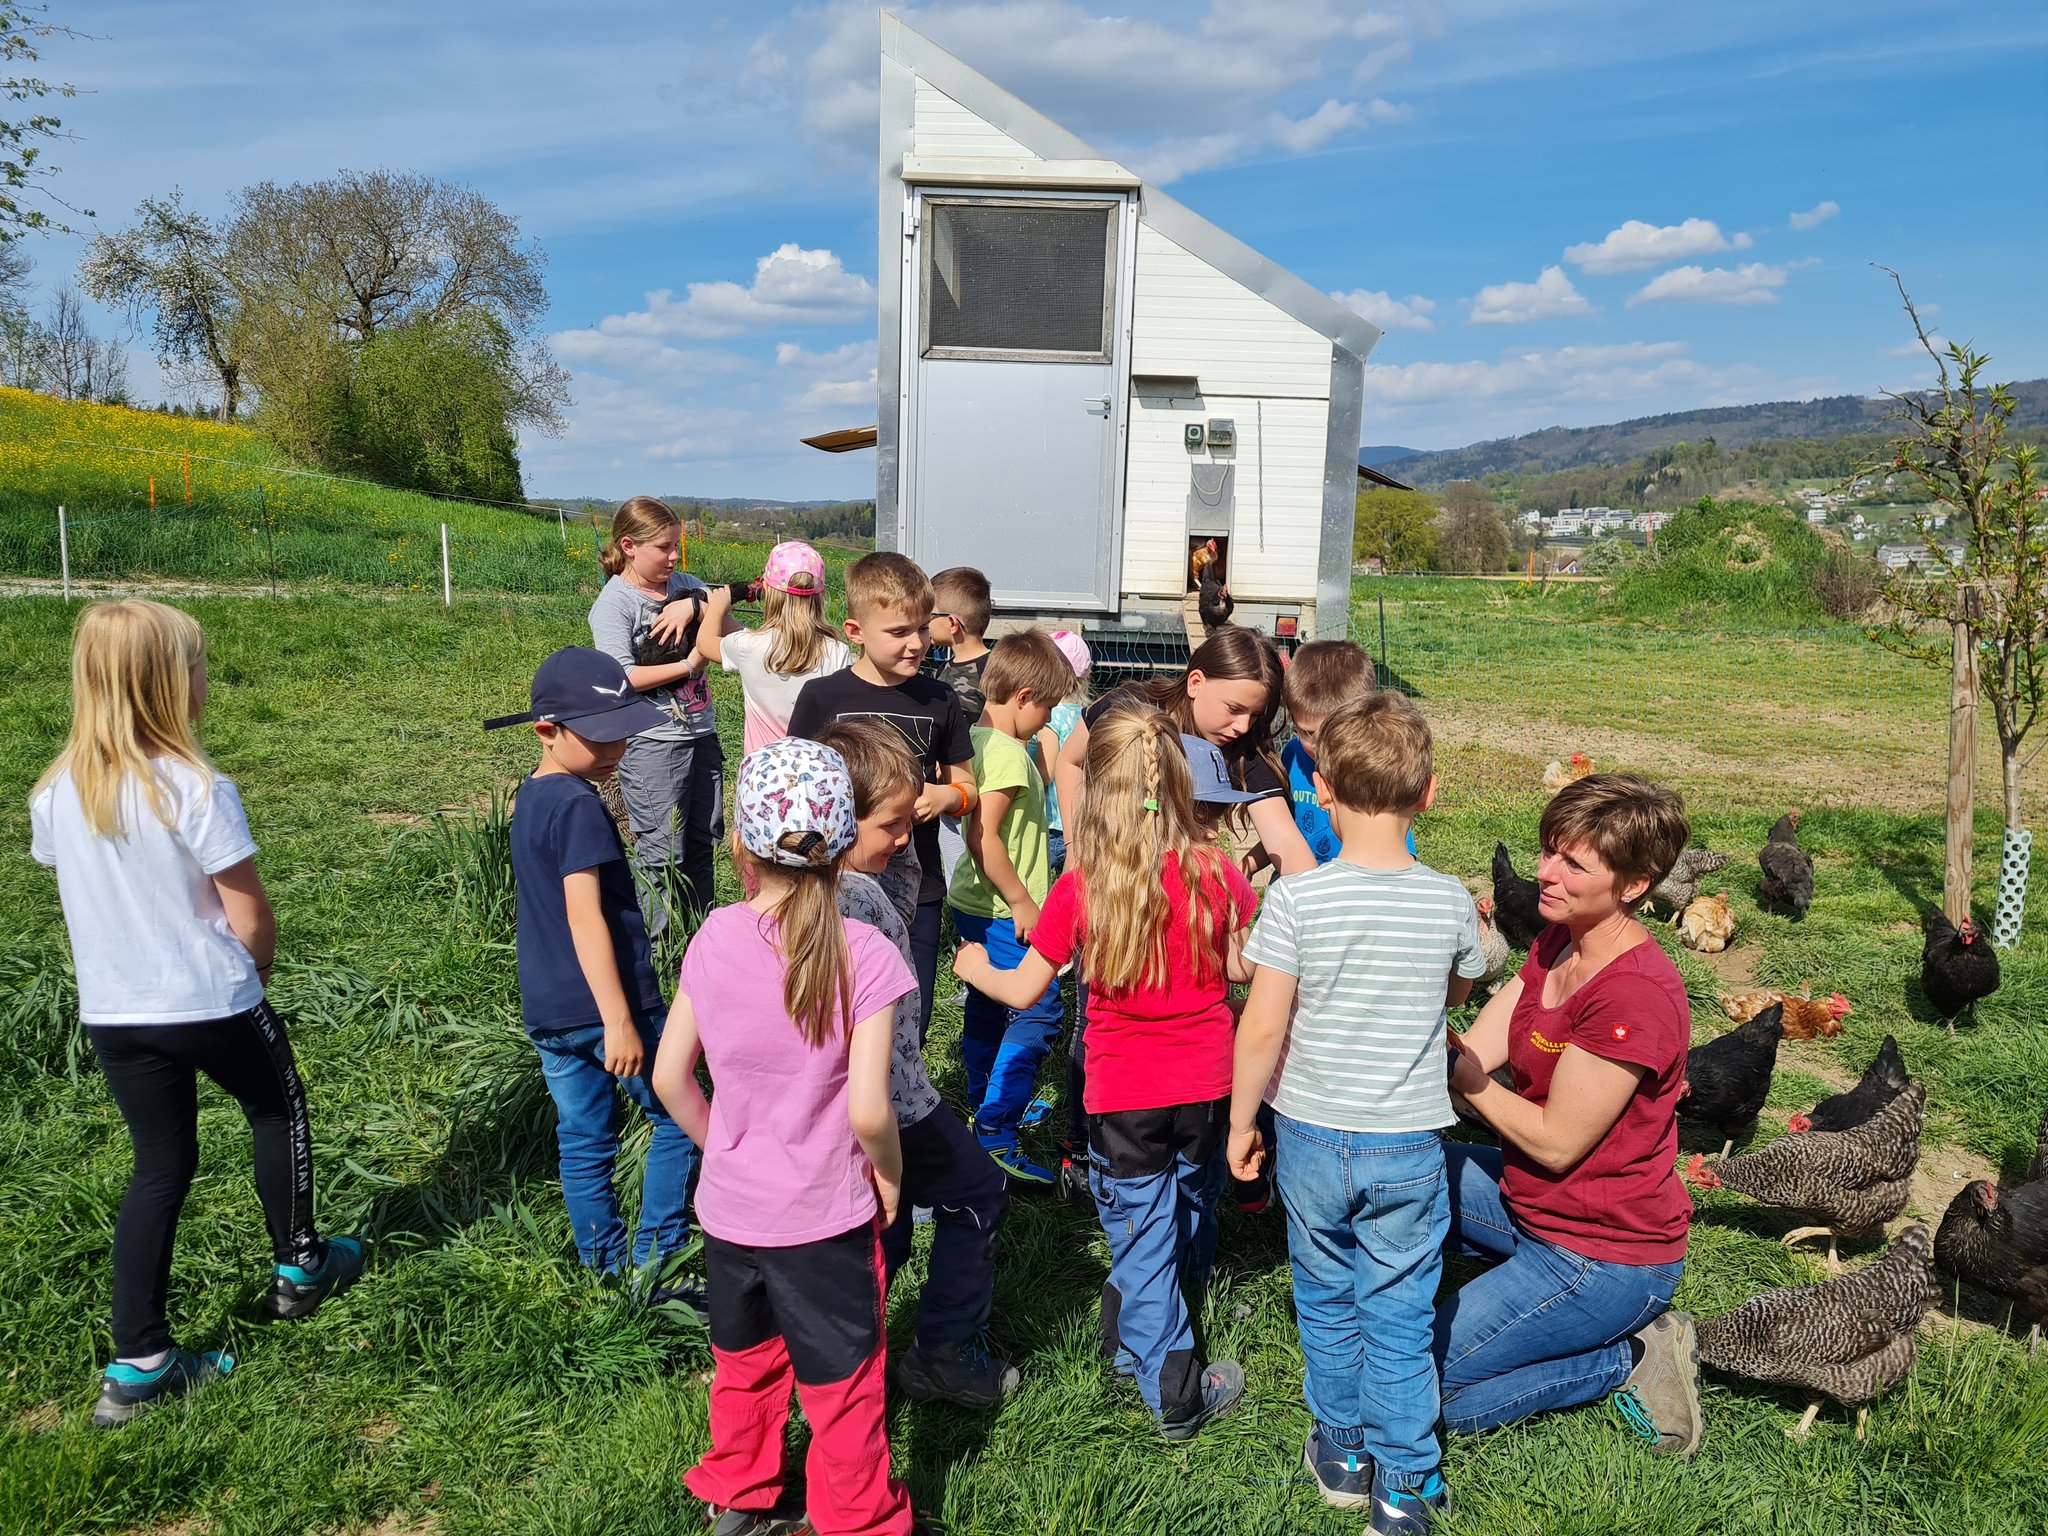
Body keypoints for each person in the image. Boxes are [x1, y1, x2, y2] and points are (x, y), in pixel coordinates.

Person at [29, 600, 363, 1426]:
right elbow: (247, 911)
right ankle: (300, 1267)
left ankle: (137, 1363)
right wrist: (253, 972)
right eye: (199, 664)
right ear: (166, 686)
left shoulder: (56, 792)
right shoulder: (197, 787)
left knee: (159, 1168)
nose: (207, 677)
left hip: (115, 1011)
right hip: (211, 997)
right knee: (274, 1107)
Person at [956, 707, 1254, 1441]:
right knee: (1181, 1211)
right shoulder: (1216, 873)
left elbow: (1026, 989)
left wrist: (972, 968)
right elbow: (1243, 968)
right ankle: (1134, 1343)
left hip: (1124, 1096)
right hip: (1207, 1086)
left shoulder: (1083, 886)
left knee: (1142, 1238)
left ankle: (1174, 1392)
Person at [1227, 692, 1485, 1535]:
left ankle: (1341, 1449)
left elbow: (1263, 1022)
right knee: (1402, 1308)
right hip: (1408, 1139)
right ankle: (1406, 1484)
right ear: (1430, 794)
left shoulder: (1299, 901)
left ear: (1325, 789)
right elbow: (1457, 988)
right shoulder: (1449, 899)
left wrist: (1239, 1124)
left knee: (1327, 1291)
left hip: (1308, 1131)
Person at [651, 738, 921, 1536]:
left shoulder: (712, 937)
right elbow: (870, 1110)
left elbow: (671, 1079)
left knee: (743, 1363)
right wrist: (893, 1178)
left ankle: (738, 1497)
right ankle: (860, 1520)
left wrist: (723, 1147)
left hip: (731, 1212)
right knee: (843, 1385)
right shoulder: (863, 952)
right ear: (845, 850)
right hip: (824, 1218)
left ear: (739, 844)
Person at [1440, 773, 1700, 1458]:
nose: (1545, 874)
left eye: (1573, 864)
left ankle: (1629, 1359)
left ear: (1636, 886)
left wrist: (1464, 1077)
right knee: (1391, 1171)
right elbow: (1479, 1048)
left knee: (1426, 1391)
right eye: (1549, 850)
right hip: (1529, 1200)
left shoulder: (1633, 997)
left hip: (1604, 1254)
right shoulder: (1559, 940)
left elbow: (1555, 1143)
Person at [1052, 627, 1312, 1189]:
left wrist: (1302, 924)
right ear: (1195, 682)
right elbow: (1070, 762)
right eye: (1235, 708)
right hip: (1113, 894)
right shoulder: (1131, 711)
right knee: (1092, 1015)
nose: (1243, 726)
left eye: (1255, 715)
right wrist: (1077, 852)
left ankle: (1198, 1147)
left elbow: (1291, 847)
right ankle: (1085, 1146)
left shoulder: (1240, 752)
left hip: (1180, 907)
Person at [814, 720, 1017, 1410]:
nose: (905, 837)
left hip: (856, 1099)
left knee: (884, 1223)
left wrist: (899, 829)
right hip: (890, 1100)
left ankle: (859, 1349)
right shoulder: (853, 902)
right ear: (840, 823)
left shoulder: (829, 885)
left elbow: (899, 879)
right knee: (977, 1190)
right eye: (891, 825)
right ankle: (944, 1350)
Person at [493, 648, 699, 1292]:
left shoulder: (533, 794)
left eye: (621, 733)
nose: (615, 750)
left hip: (549, 1009)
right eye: (600, 737)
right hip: (608, 1007)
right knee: (677, 1114)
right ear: (546, 729)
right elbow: (587, 919)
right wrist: (620, 1020)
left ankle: (603, 1267)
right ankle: (658, 1256)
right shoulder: (581, 806)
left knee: (583, 1138)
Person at [788, 551, 974, 1046]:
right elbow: (796, 793)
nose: (915, 644)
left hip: (920, 887)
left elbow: (968, 788)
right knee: (836, 1014)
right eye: (897, 632)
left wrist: (945, 795)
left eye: (921, 628)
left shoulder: (941, 700)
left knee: (911, 1015)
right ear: (854, 630)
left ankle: (900, 1114)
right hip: (832, 885)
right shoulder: (821, 698)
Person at [948, 629, 1076, 1184]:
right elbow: (984, 837)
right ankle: (997, 1129)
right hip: (1004, 909)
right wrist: (1024, 901)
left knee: (986, 1007)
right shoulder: (1003, 754)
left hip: (977, 903)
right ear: (1023, 696)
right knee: (1040, 1009)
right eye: (1045, 707)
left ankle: (985, 1102)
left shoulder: (979, 741)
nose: (1047, 721)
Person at [588, 496, 737, 934]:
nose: (674, 557)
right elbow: (622, 677)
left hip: (701, 733)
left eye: (677, 546)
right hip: (653, 742)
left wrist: (693, 605)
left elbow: (731, 620)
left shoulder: (685, 583)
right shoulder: (615, 604)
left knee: (702, 843)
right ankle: (661, 952)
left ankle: (700, 942)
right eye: (664, 548)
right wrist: (690, 665)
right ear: (629, 546)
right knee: (661, 853)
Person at [695, 539, 851, 758]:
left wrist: (717, 607)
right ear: (821, 594)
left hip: (764, 776)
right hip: (818, 773)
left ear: (767, 589)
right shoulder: (838, 651)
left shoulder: (748, 646)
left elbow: (704, 643)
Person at [928, 565, 993, 888]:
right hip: (951, 789)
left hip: (974, 785)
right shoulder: (947, 668)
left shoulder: (993, 673)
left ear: (952, 624)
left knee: (966, 863)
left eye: (929, 616)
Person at [1035, 629, 1092, 877]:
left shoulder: (1051, 716)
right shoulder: (1086, 714)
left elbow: (1045, 772)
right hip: (1077, 822)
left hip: (1050, 826)